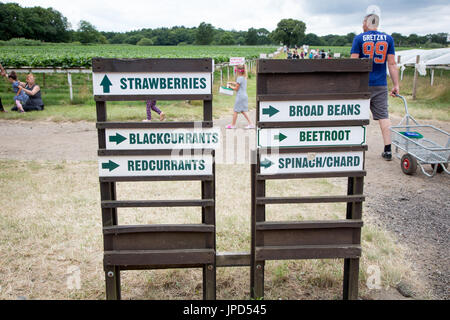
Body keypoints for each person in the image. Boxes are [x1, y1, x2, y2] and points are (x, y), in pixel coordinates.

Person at [350, 12, 399, 161]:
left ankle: (354, 146)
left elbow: (353, 63)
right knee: (384, 116)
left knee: (357, 116)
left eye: (363, 22)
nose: (362, 25)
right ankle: (388, 149)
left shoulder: (359, 38)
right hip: (380, 83)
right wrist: (396, 84)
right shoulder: (388, 39)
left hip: (362, 84)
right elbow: (391, 63)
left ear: (367, 23)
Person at [226, 65, 254, 129]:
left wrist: (230, 87)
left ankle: (233, 125)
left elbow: (236, 88)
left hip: (240, 96)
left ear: (237, 71)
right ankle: (251, 124)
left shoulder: (239, 78)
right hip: (244, 96)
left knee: (235, 111)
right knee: (243, 111)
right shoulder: (244, 77)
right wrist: (231, 82)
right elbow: (237, 83)